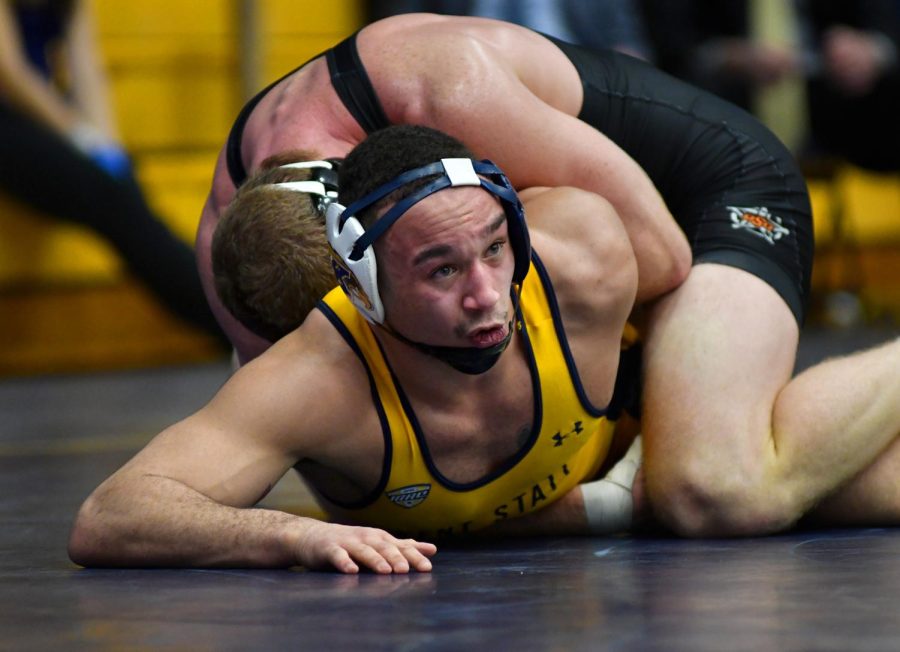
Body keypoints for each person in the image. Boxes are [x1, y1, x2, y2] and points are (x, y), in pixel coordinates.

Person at [195, 13, 900, 538]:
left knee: (707, 484)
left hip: (709, 193)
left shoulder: (442, 89)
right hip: (599, 240)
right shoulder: (234, 253)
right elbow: (351, 458)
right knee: (693, 467)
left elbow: (659, 256)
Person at [68, 124, 654, 572]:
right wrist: (293, 535)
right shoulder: (317, 375)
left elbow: (686, 278)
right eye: (442, 271)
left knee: (707, 490)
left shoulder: (582, 254)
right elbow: (109, 516)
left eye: (496, 249)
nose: (485, 296)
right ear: (362, 287)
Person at [0, 0, 223, 337]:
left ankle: (218, 310)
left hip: (39, 124)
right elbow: (10, 75)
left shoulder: (72, 6)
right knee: (115, 201)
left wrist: (108, 149)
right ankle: (221, 314)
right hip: (12, 120)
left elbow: (88, 72)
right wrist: (80, 135)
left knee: (121, 189)